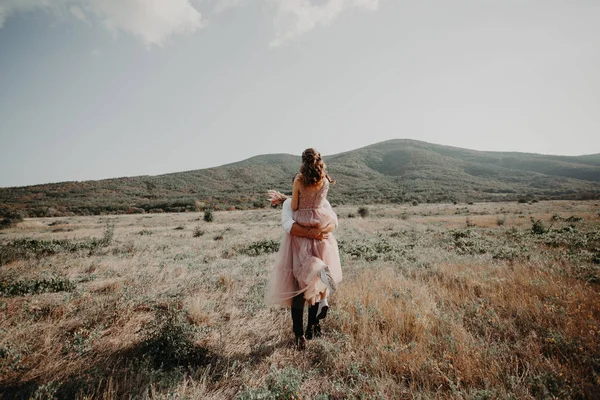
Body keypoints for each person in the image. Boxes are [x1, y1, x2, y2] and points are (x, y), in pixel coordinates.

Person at [267, 148, 343, 350]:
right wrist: (316, 232)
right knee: (307, 289)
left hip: (300, 248)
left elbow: (328, 219)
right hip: (314, 243)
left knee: (308, 290)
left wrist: (322, 230)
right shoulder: (320, 196)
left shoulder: (299, 202)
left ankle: (308, 329)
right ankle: (303, 332)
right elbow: (289, 222)